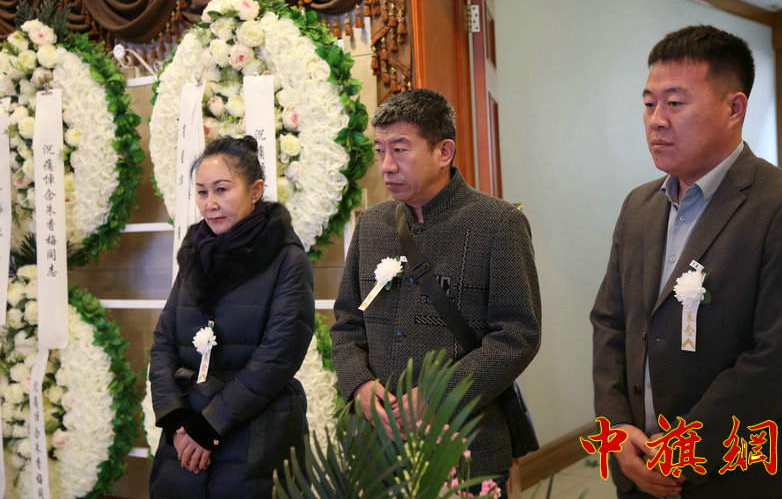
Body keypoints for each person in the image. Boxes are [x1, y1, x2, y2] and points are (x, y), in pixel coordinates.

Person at [591, 25, 782, 498]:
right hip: (637, 463)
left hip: (733, 472)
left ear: (734, 108)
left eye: (675, 103)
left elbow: (778, 360)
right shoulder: (639, 205)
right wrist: (617, 430)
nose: (656, 120)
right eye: (649, 103)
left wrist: (683, 450)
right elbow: (610, 323)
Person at [330, 88, 541, 492]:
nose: (386, 166)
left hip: (466, 446)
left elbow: (517, 335)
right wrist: (358, 383)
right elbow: (347, 322)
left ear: (444, 151)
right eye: (379, 151)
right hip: (377, 447)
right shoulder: (371, 225)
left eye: (400, 149)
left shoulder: (498, 224)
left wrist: (437, 396)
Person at [149, 135, 315, 498]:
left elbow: (279, 356)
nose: (210, 204)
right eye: (202, 192)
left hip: (256, 434)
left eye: (222, 190)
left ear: (255, 190)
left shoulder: (287, 259)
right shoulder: (195, 253)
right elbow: (163, 342)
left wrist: (210, 427)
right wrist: (176, 418)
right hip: (184, 436)